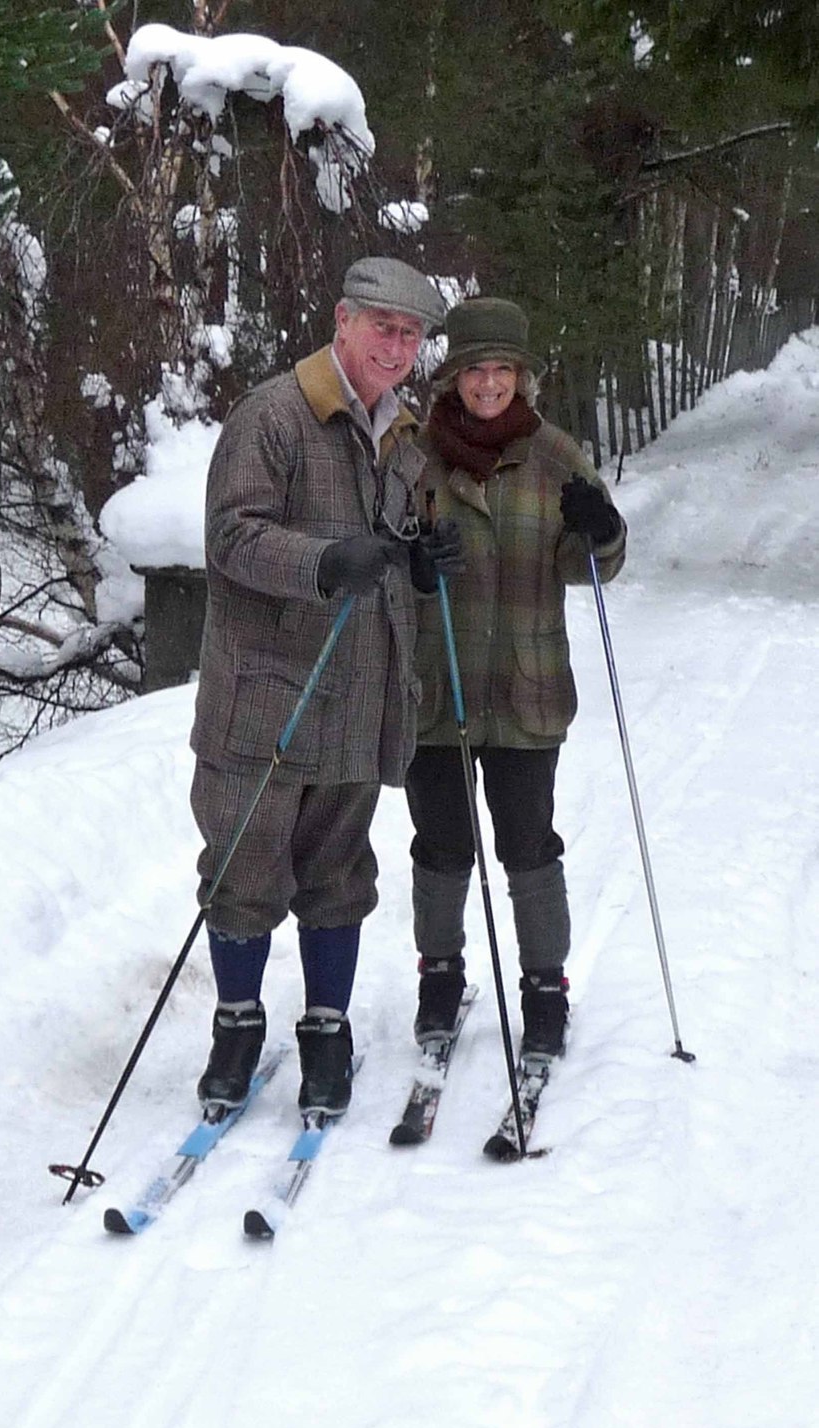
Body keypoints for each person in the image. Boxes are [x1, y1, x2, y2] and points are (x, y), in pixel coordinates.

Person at [189, 257, 461, 1119]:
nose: (397, 345)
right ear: (343, 321)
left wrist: (417, 567)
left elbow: (393, 540)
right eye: (383, 326)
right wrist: (319, 564)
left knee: (339, 872)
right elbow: (231, 537)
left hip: (360, 692)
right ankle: (236, 1026)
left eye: (411, 334)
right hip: (266, 697)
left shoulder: (404, 433)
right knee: (243, 871)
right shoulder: (273, 415)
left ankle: (326, 1030)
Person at [406, 296, 626, 1062]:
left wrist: (602, 530)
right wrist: (409, 564)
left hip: (526, 687)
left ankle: (543, 986)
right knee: (439, 842)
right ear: (453, 378)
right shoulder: (414, 457)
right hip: (437, 687)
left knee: (528, 842)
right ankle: (439, 973)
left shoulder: (556, 454)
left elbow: (589, 562)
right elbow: (387, 554)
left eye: (503, 370)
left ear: (523, 377)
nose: (490, 384)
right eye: (476, 371)